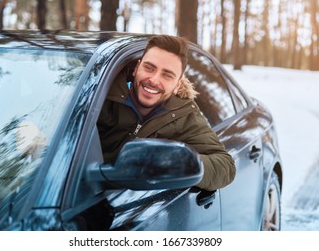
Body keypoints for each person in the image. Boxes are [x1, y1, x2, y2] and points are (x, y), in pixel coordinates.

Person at [97, 35, 235, 191]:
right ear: (136, 68)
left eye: (167, 75)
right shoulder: (99, 95)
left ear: (178, 84)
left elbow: (225, 166)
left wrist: (175, 162)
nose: (154, 80)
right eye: (149, 68)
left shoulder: (185, 116)